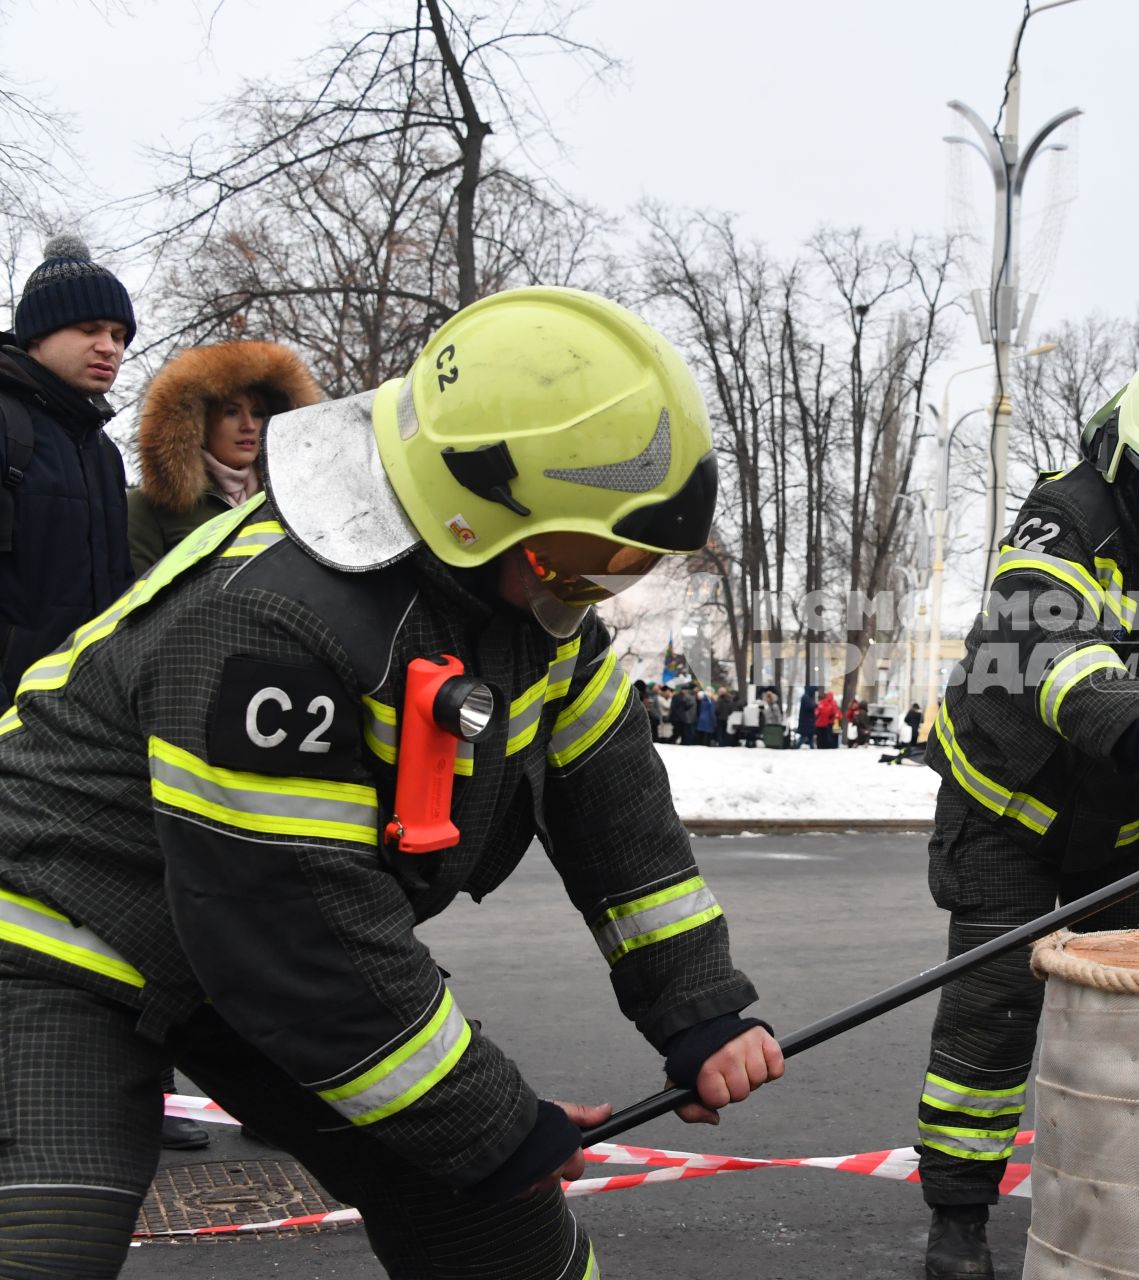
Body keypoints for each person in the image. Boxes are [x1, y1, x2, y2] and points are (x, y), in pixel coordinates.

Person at [0, 287, 782, 1278]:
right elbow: (302, 938)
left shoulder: (522, 598)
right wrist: (494, 1117)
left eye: (625, 563)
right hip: (58, 927)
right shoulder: (270, 623)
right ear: (472, 508)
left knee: (497, 1221)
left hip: (244, 947)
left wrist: (699, 1004)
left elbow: (611, 800)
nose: (592, 589)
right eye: (586, 556)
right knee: (44, 1244)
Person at [913, 341, 1139, 1279]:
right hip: (1010, 807)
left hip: (1130, 832)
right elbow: (1045, 642)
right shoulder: (1064, 511)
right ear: (1130, 455)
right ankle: (957, 1218)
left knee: (1132, 1027)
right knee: (990, 1018)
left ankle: (1121, 1205)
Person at [0, 236, 137, 701]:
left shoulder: (103, 451)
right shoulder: (6, 425)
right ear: (38, 333)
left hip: (88, 713)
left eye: (119, 336)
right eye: (89, 329)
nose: (109, 348)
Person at [126, 341, 323, 574]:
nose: (249, 425)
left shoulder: (287, 504)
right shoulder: (150, 507)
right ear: (198, 423)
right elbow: (135, 601)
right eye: (232, 412)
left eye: (258, 413)